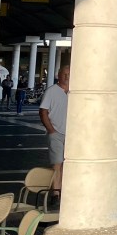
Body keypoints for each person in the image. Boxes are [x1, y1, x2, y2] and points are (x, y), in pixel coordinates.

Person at [39, 65, 70, 197]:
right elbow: (43, 111)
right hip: (56, 133)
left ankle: (61, 189)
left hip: (71, 135)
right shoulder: (51, 91)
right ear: (59, 74)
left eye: (69, 74)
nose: (67, 76)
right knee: (57, 163)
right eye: (65, 74)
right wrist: (51, 129)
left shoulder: (75, 92)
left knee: (67, 163)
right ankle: (56, 193)